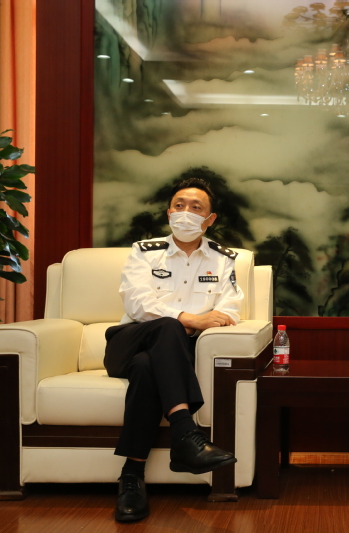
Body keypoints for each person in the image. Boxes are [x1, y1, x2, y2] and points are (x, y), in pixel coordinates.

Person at [104, 177, 243, 522]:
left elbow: (229, 312)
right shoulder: (144, 251)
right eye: (179, 206)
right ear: (168, 213)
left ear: (210, 219)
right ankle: (185, 431)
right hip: (127, 341)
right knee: (167, 326)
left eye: (196, 208)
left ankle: (132, 477)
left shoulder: (223, 259)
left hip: (170, 357)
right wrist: (191, 319)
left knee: (146, 367)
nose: (185, 212)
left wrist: (189, 324)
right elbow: (138, 304)